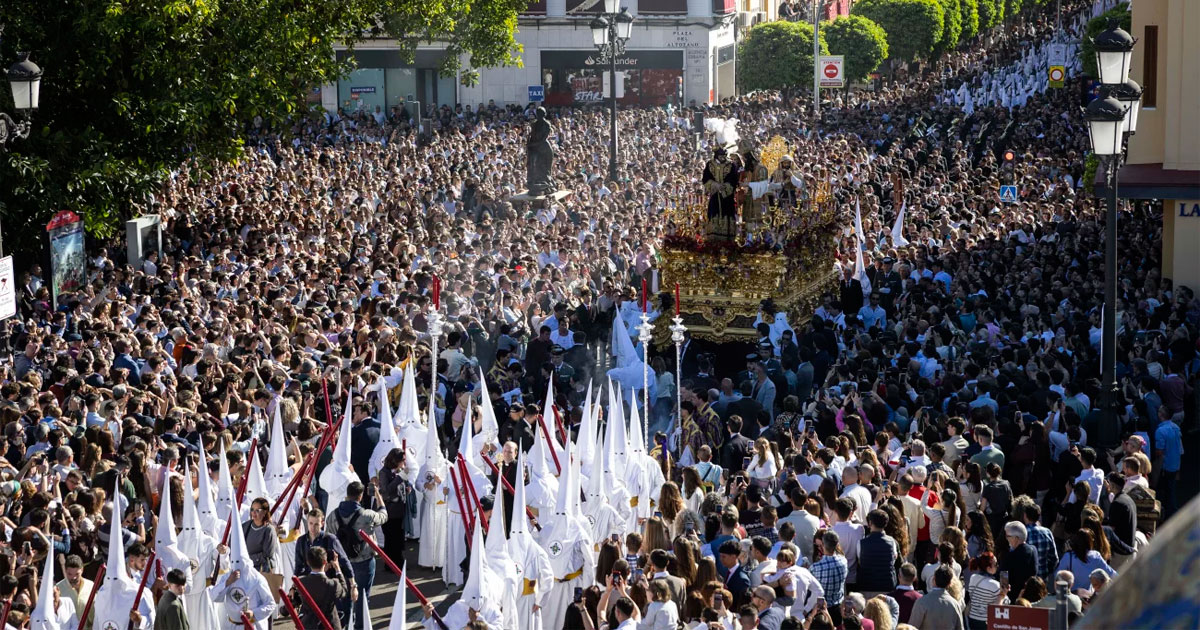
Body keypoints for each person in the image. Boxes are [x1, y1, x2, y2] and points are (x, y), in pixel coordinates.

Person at [326, 480, 389, 630]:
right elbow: (384, 516)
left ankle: (345, 625)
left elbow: (329, 539)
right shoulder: (366, 515)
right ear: (360, 497)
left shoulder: (332, 516)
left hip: (342, 563)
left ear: (347, 495)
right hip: (363, 561)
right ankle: (360, 627)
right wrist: (377, 494)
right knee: (362, 598)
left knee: (344, 597)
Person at [296, 547, 347, 630]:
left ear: (308, 562)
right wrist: (338, 570)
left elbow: (292, 603)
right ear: (325, 562)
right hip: (330, 625)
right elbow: (344, 590)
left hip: (309, 625)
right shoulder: (333, 584)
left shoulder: (301, 582)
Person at [856, 509, 899, 597]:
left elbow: (860, 561)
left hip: (867, 586)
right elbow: (893, 560)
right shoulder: (892, 542)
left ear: (870, 523)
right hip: (887, 586)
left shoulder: (861, 543)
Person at [908, 565, 964, 630]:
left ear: (933, 579)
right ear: (949, 583)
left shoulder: (921, 602)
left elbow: (911, 627)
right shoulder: (955, 604)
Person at [1000, 521, 1038, 600]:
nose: (1006, 539)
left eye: (1008, 536)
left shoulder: (1010, 557)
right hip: (1029, 596)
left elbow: (1003, 582)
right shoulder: (1033, 550)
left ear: (1016, 538)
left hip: (1013, 599)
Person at [718, 540, 751, 607]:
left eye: (724, 556)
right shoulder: (728, 572)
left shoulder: (742, 579)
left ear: (734, 557)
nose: (721, 559)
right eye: (720, 556)